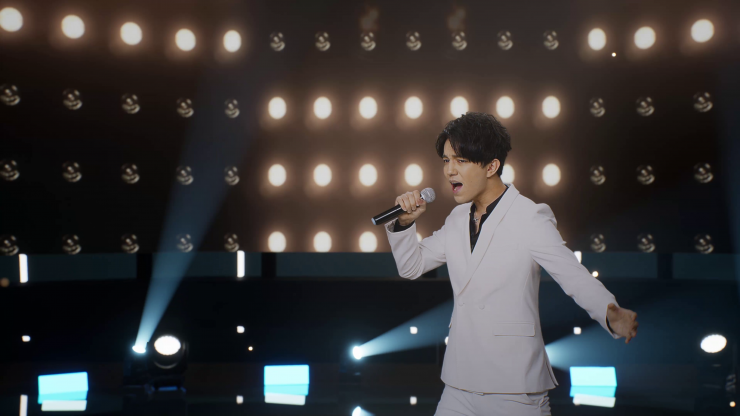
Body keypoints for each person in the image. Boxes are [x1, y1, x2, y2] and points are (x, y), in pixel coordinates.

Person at [385, 112, 638, 416]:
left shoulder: (529, 217)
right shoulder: (457, 219)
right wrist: (403, 224)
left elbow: (572, 275)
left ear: (491, 166)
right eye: (446, 160)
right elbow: (411, 266)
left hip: (514, 386)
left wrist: (609, 312)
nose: (450, 170)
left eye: (461, 161)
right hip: (459, 382)